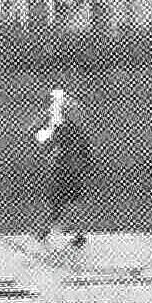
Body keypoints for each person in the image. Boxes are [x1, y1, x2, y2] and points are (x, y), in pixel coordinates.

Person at [38, 91, 96, 249]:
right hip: (74, 174)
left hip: (61, 172)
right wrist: (85, 169)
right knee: (73, 202)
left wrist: (40, 136)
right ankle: (76, 234)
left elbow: (48, 143)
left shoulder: (63, 129)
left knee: (56, 202)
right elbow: (87, 156)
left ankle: (46, 231)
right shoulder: (80, 133)